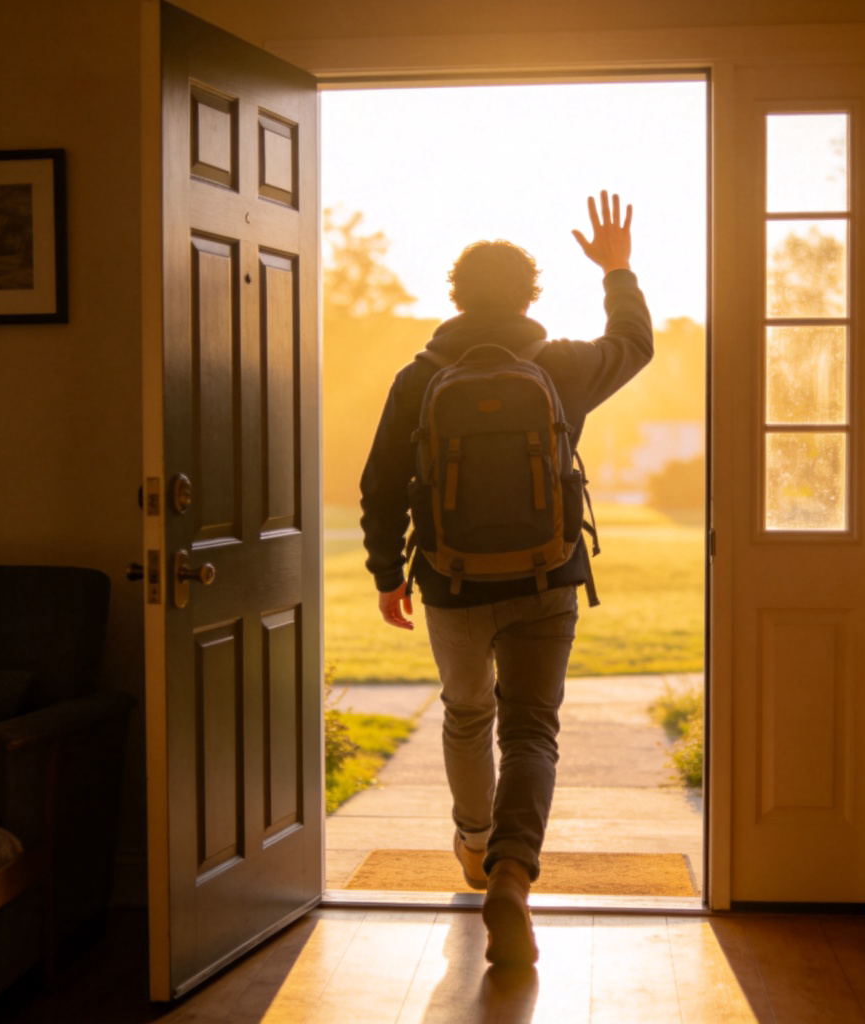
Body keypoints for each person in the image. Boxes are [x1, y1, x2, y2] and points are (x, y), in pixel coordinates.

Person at [359, 191, 653, 966]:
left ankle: (475, 844)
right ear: (531, 296)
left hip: (450, 584)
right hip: (546, 578)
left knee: (466, 715)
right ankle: (512, 875)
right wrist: (617, 268)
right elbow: (634, 342)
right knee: (531, 729)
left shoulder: (418, 378)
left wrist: (388, 573)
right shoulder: (557, 365)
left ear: (453, 298)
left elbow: (381, 486)